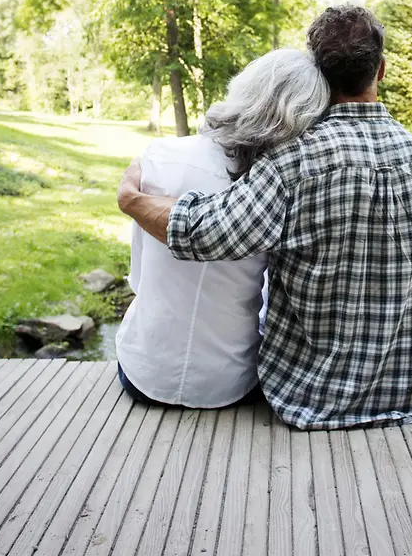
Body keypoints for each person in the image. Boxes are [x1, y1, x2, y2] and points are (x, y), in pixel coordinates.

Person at [117, 4, 412, 430]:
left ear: (319, 77)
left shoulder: (292, 162)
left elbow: (206, 234)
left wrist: (132, 200)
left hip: (313, 396)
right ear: (380, 71)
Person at [114, 48, 330, 409]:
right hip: (231, 383)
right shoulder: (283, 189)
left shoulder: (159, 157)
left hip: (145, 372)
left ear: (244, 89)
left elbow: (139, 278)